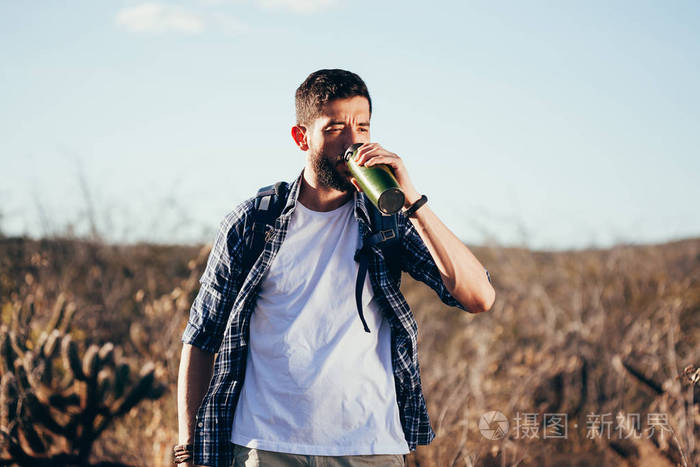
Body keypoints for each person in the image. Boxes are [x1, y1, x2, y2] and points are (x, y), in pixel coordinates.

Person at [175, 69, 495, 467]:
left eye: (362, 126)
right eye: (336, 128)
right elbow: (202, 336)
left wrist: (411, 198)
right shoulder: (253, 221)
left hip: (369, 446)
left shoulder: (388, 218)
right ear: (301, 137)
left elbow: (478, 296)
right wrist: (187, 451)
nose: (353, 141)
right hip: (266, 446)